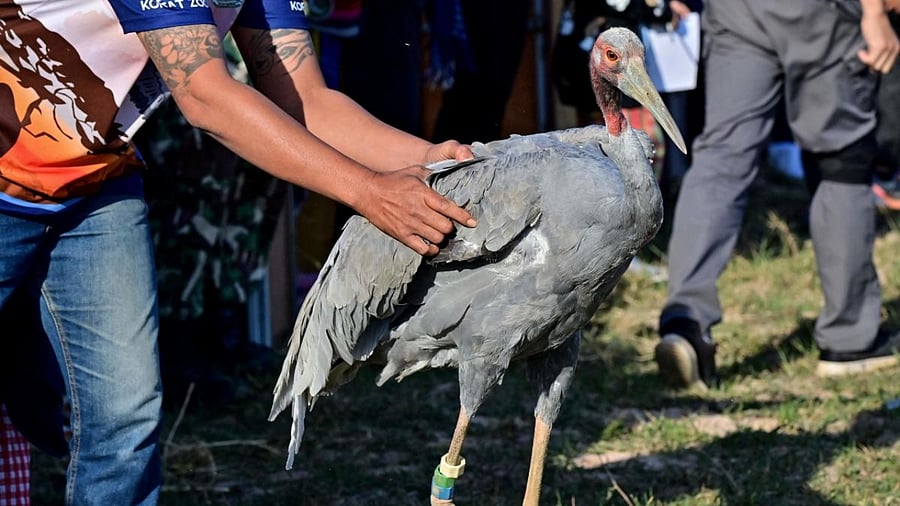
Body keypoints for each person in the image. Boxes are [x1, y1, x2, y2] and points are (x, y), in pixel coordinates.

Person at [0, 2, 477, 505]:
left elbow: (305, 99)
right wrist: (369, 191)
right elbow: (205, 96)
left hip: (91, 179)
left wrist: (427, 160)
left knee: (124, 416)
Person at [654, 0, 900, 390]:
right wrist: (873, 11)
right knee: (842, 160)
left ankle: (686, 323)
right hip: (822, 11)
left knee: (722, 156)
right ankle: (850, 339)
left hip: (736, 11)